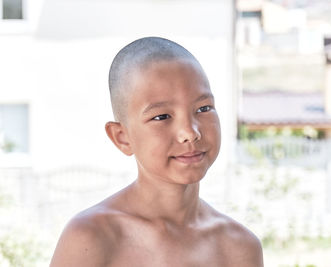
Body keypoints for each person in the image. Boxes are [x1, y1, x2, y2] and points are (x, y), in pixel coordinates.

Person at [50, 37, 264, 267]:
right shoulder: (91, 238)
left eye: (203, 109)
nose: (189, 133)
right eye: (161, 116)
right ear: (122, 137)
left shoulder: (239, 247)